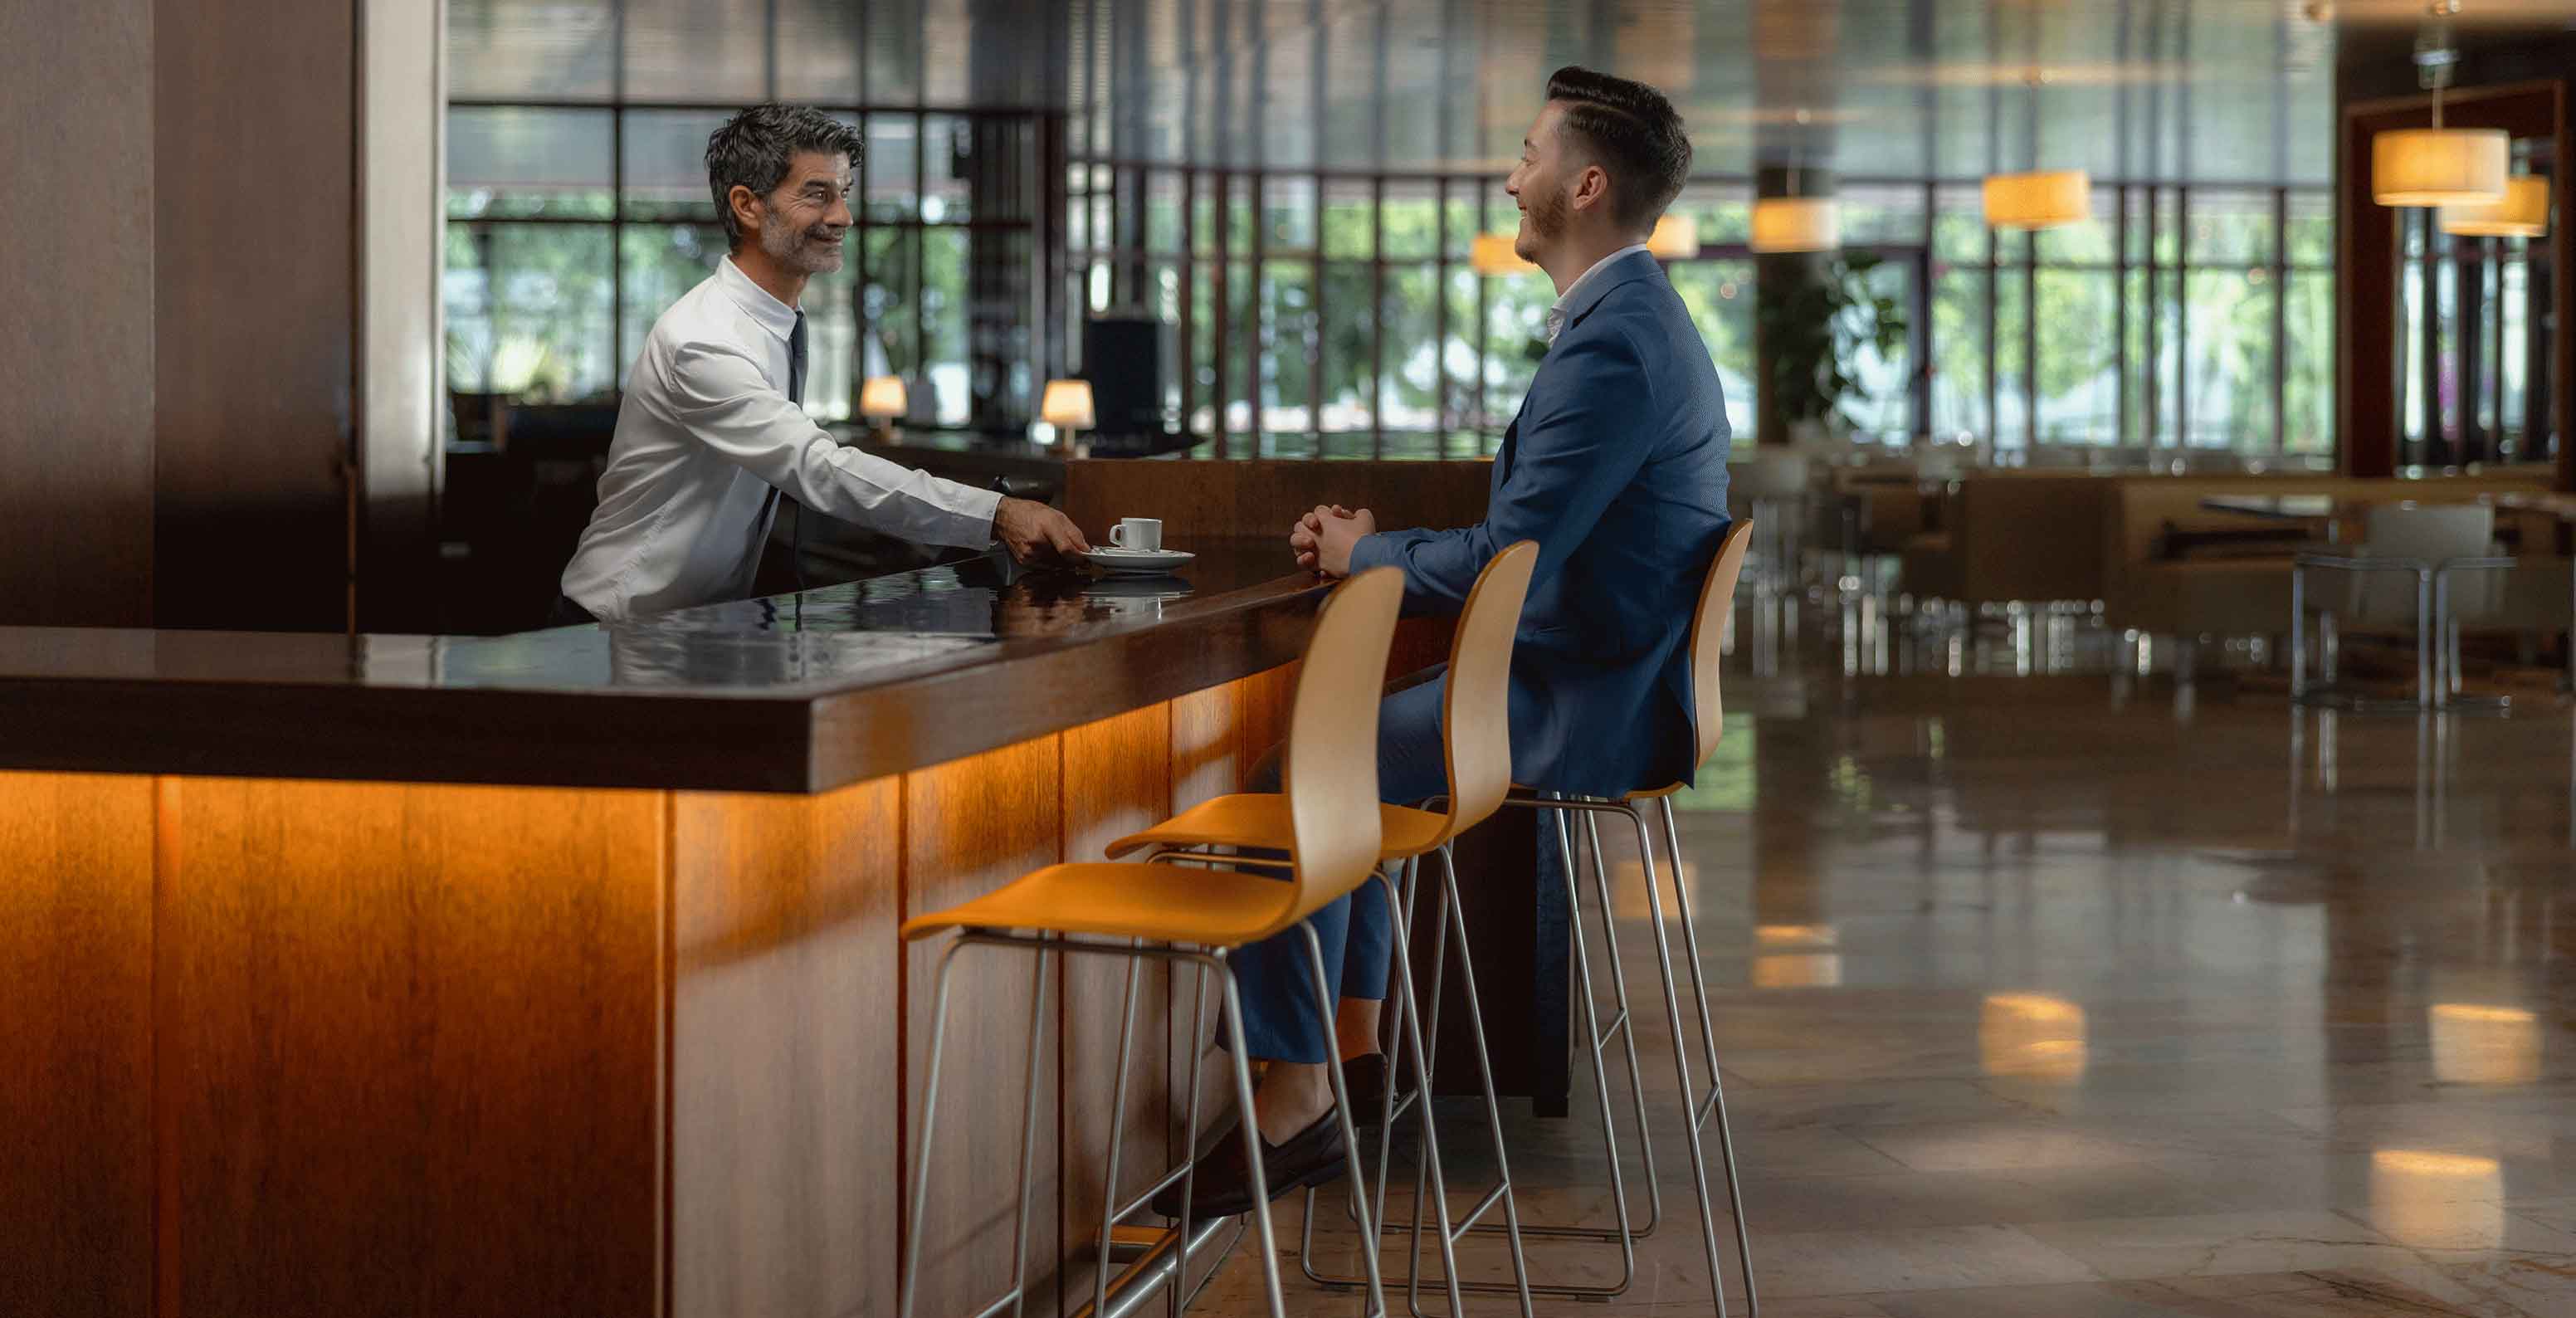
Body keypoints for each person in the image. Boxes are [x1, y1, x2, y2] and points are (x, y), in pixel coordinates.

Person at [1156, 66, 1732, 1218]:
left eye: (1526, 154)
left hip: (1586, 696)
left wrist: (1365, 560)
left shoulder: (1617, 343)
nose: (1509, 176)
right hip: (1592, 673)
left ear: (1584, 182)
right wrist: (1376, 549)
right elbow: (1521, 541)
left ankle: (1300, 1096)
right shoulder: (1630, 323)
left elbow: (1509, 560)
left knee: (1299, 784)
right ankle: (1344, 1066)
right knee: (1341, 774)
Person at [554, 105, 1087, 624]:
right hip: (614, 625)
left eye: (844, 194)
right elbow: (818, 468)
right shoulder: (703, 340)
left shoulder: (777, 319)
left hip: (696, 625)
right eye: (817, 194)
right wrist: (994, 512)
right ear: (748, 205)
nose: (843, 216)